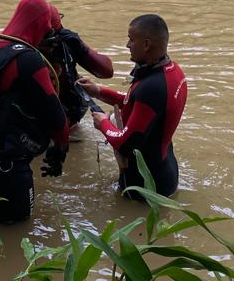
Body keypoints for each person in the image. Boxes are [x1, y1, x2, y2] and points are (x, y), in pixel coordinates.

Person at [0, 0, 69, 223]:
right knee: (19, 233)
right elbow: (56, 116)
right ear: (41, 25)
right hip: (8, 171)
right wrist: (60, 148)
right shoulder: (27, 59)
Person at [79, 13, 187, 197]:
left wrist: (103, 123)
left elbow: (126, 144)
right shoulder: (172, 71)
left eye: (131, 40)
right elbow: (135, 102)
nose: (127, 45)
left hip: (145, 186)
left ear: (146, 44)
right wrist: (98, 91)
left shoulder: (152, 87)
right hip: (165, 171)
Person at [40, 5, 114, 126]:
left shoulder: (66, 42)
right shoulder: (23, 49)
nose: (50, 44)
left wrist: (81, 47)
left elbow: (106, 72)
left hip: (69, 107)